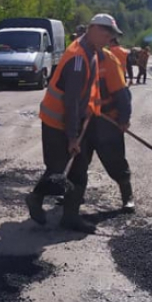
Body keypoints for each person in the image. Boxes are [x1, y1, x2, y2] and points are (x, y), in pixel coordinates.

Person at [25, 13, 122, 234]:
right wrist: (72, 137)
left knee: (78, 170)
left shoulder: (93, 53)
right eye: (107, 33)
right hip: (57, 122)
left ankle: (70, 217)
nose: (110, 38)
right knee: (58, 168)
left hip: (75, 120)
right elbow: (70, 102)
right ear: (94, 29)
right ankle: (35, 198)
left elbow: (86, 92)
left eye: (113, 35)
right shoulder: (78, 58)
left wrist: (91, 108)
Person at [88, 38, 135, 211]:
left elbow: (123, 94)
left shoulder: (109, 60)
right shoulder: (77, 57)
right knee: (79, 160)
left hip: (108, 120)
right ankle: (72, 197)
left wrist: (123, 119)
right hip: (86, 121)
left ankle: (127, 196)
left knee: (115, 160)